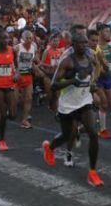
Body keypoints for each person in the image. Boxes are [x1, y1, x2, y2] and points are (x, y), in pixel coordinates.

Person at [42, 32, 105, 187]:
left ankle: (92, 172)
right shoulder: (67, 62)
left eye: (86, 43)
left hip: (84, 101)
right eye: (81, 43)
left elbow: (97, 67)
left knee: (92, 133)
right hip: (68, 104)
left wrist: (93, 82)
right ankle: (50, 147)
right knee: (66, 135)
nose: (85, 45)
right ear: (74, 44)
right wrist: (72, 81)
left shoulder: (90, 57)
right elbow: (53, 85)